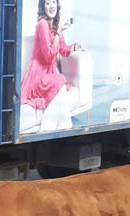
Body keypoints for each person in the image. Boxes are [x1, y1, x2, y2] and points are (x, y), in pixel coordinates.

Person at [21, 0, 83, 131]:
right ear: (43, 7)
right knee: (60, 80)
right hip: (38, 76)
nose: (51, 6)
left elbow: (63, 49)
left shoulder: (55, 26)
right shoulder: (41, 25)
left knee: (60, 87)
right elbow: (48, 57)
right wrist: (59, 31)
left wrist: (75, 47)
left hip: (50, 74)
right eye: (47, 3)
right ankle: (57, 127)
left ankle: (54, 127)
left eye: (53, 2)